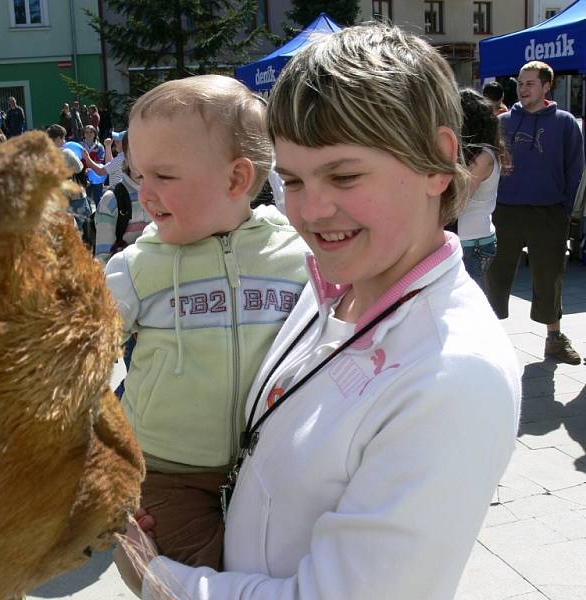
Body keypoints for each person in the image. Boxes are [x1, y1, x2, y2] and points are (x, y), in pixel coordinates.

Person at [115, 24, 521, 600]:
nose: (311, 209)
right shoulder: (332, 280)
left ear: (438, 161)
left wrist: (161, 576)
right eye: (293, 180)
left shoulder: (452, 374)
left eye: (345, 175)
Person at [106, 74, 309, 571]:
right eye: (138, 175)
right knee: (185, 574)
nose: (144, 193)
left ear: (237, 179)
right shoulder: (137, 267)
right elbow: (77, 350)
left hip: (274, 465)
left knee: (271, 569)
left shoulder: (297, 257)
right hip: (165, 469)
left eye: (164, 176)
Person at [485, 61, 584, 365]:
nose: (523, 89)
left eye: (530, 83)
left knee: (549, 277)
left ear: (546, 86)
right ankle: (486, 341)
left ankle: (554, 339)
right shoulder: (502, 122)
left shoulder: (564, 122)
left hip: (549, 212)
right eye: (520, 83)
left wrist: (564, 207)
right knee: (496, 275)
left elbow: (575, 168)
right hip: (506, 211)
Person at [456, 88, 508, 290]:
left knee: (464, 311)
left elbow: (459, 197)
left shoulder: (484, 156)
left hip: (473, 243)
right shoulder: (473, 153)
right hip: (467, 240)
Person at [92, 131, 150, 263]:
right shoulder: (111, 200)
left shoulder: (167, 195)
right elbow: (103, 260)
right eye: (136, 153)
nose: (143, 160)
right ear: (125, 157)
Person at [82, 124, 106, 207]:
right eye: (86, 132)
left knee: (98, 199)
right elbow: (77, 160)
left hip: (96, 176)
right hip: (83, 175)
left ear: (95, 134)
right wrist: (84, 171)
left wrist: (91, 171)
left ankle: (98, 217)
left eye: (91, 132)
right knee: (86, 199)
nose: (89, 134)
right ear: (84, 134)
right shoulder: (80, 146)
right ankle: (88, 218)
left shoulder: (100, 147)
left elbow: (101, 161)